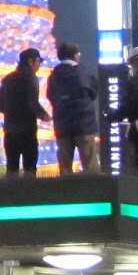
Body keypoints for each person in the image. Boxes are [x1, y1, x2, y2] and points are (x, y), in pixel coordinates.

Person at [46, 40, 100, 174]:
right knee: (90, 164)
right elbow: (93, 93)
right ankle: (93, 187)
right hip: (84, 123)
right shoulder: (84, 73)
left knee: (65, 166)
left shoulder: (54, 75)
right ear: (75, 55)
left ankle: (66, 187)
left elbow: (50, 96)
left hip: (62, 123)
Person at [0, 47, 49, 176]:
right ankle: (29, 189)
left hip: (10, 128)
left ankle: (11, 188)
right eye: (38, 61)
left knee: (12, 167)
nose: (39, 65)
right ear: (30, 61)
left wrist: (11, 111)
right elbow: (32, 102)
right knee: (29, 167)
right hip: (27, 128)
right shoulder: (31, 78)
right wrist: (43, 115)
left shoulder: (8, 79)